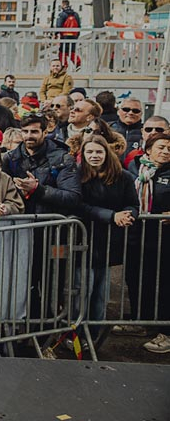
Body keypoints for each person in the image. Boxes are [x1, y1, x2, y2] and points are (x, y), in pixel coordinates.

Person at [76, 135, 138, 341]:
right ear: (83, 154)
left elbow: (133, 204)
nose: (94, 156)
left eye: (99, 151)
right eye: (90, 152)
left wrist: (129, 214)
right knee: (82, 292)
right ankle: (76, 334)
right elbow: (78, 206)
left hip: (108, 242)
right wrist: (111, 216)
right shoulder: (76, 175)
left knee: (100, 295)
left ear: (106, 153)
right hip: (81, 239)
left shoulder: (124, 177)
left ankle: (93, 336)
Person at [128, 132, 170, 353]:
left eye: (169, 149)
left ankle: (166, 331)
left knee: (165, 284)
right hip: (137, 234)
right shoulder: (135, 168)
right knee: (136, 277)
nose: (165, 152)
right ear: (148, 149)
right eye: (161, 147)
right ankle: (139, 321)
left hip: (165, 237)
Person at [2, 114, 80, 216]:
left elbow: (72, 198)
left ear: (45, 133)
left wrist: (37, 189)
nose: (29, 136)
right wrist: (20, 191)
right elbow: (3, 193)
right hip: (20, 222)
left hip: (51, 224)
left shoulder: (62, 158)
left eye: (34, 132)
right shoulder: (10, 158)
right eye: (25, 131)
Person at [54, 0, 82, 70]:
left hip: (65, 36)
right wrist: (77, 35)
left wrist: (56, 34)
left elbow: (59, 26)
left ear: (63, 5)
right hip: (74, 36)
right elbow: (79, 26)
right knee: (72, 51)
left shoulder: (62, 14)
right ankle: (78, 63)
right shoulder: (76, 14)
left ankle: (64, 66)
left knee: (62, 51)